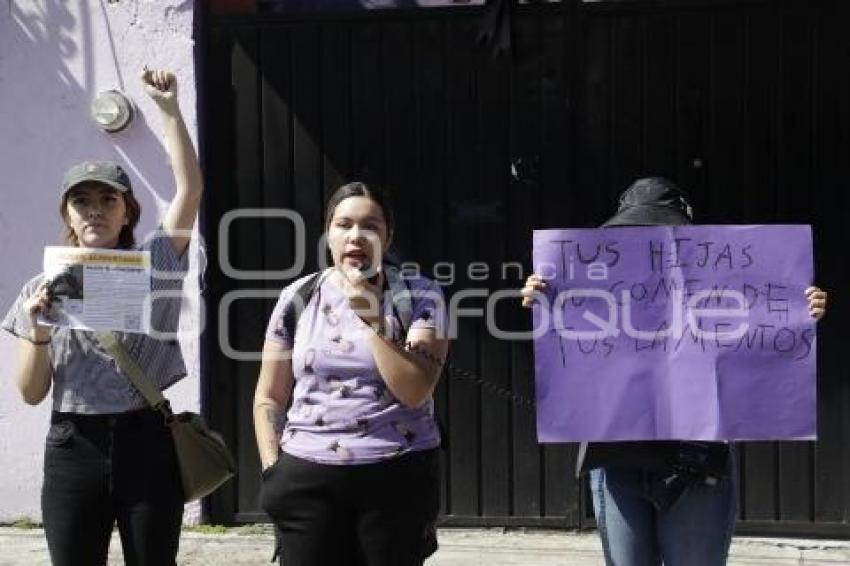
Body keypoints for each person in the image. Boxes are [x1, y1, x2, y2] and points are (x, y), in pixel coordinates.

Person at [520, 177, 828, 566]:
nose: (644, 244)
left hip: (696, 465)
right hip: (616, 462)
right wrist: (545, 299)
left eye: (657, 232)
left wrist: (800, 312)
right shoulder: (594, 292)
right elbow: (572, 348)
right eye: (633, 234)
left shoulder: (716, 291)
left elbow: (761, 348)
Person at [2, 69, 203, 566]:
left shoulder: (157, 264)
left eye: (107, 199)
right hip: (74, 445)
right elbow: (30, 394)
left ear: (127, 212)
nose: (95, 211)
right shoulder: (40, 289)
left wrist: (170, 109)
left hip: (147, 441)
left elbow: (190, 190)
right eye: (81, 201)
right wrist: (40, 331)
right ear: (67, 214)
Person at [254, 181, 449, 566]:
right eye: (344, 225)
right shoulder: (298, 296)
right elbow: (269, 396)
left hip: (396, 478)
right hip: (306, 480)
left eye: (371, 226)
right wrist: (272, 469)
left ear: (388, 237)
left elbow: (414, 390)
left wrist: (374, 319)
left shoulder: (419, 294)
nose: (356, 236)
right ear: (329, 235)